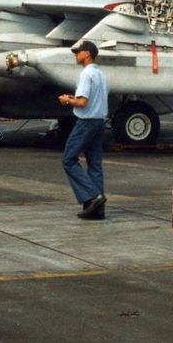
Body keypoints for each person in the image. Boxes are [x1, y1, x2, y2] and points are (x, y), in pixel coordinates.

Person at [58, 40, 109, 220]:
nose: (76, 55)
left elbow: (82, 102)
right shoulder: (101, 74)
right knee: (95, 165)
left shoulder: (86, 74)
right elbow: (92, 99)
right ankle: (97, 211)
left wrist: (67, 100)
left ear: (87, 54)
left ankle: (93, 196)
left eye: (78, 52)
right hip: (98, 122)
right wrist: (73, 97)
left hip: (86, 122)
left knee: (68, 159)